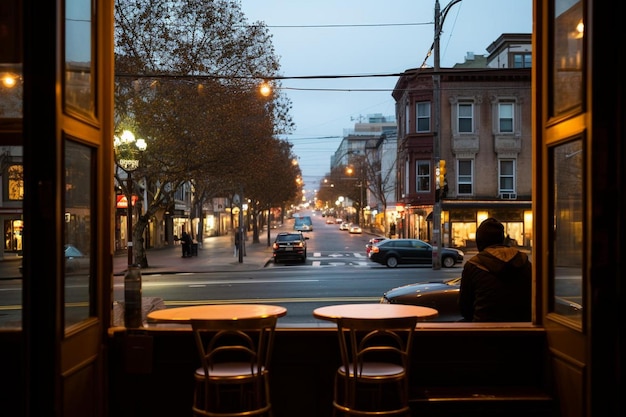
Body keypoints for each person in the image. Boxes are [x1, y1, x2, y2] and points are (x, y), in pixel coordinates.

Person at [459, 218, 532, 322]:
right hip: (522, 329)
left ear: (479, 241)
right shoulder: (524, 262)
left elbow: (465, 308)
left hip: (484, 330)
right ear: (502, 239)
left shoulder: (473, 265)